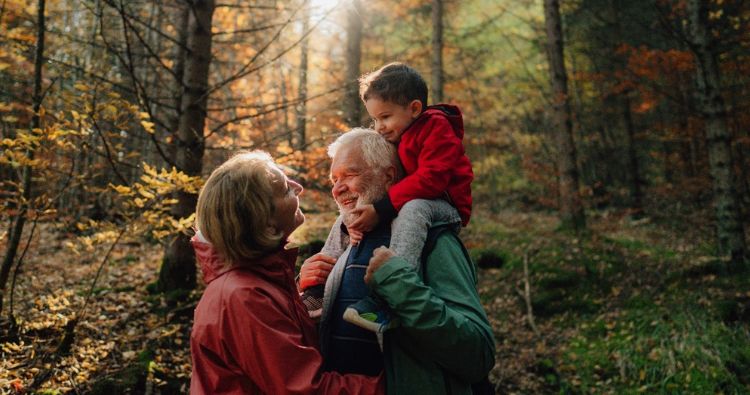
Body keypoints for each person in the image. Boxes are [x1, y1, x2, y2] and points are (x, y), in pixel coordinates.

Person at [300, 129, 495, 393]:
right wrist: (303, 286)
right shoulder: (346, 239)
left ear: (389, 176)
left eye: (350, 174)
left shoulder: (434, 242)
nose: (337, 188)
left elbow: (478, 355)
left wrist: (400, 287)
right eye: (334, 179)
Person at [189, 151, 383, 394]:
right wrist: (402, 384)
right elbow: (307, 389)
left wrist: (302, 295)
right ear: (266, 222)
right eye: (284, 189)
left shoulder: (257, 283)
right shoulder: (244, 297)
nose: (299, 187)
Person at [301, 62, 474, 332]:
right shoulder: (402, 131)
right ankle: (315, 296)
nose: (379, 127)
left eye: (384, 117)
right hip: (338, 372)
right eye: (334, 180)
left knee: (413, 209)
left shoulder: (435, 129)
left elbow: (431, 179)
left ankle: (394, 286)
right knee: (349, 220)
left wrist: (381, 207)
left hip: (444, 203)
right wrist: (309, 280)